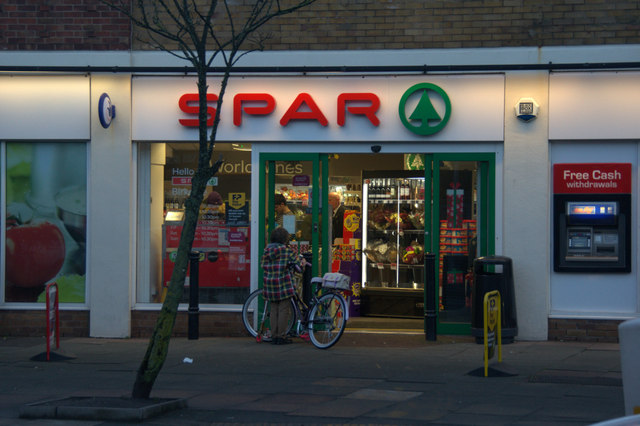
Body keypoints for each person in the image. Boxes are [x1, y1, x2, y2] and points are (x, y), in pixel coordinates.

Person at [261, 226, 305, 345]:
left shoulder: (266, 252)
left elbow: (263, 265)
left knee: (274, 308)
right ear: (284, 239)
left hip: (270, 284)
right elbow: (298, 267)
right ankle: (281, 336)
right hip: (284, 284)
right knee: (283, 310)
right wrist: (303, 264)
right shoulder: (287, 251)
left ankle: (274, 335)